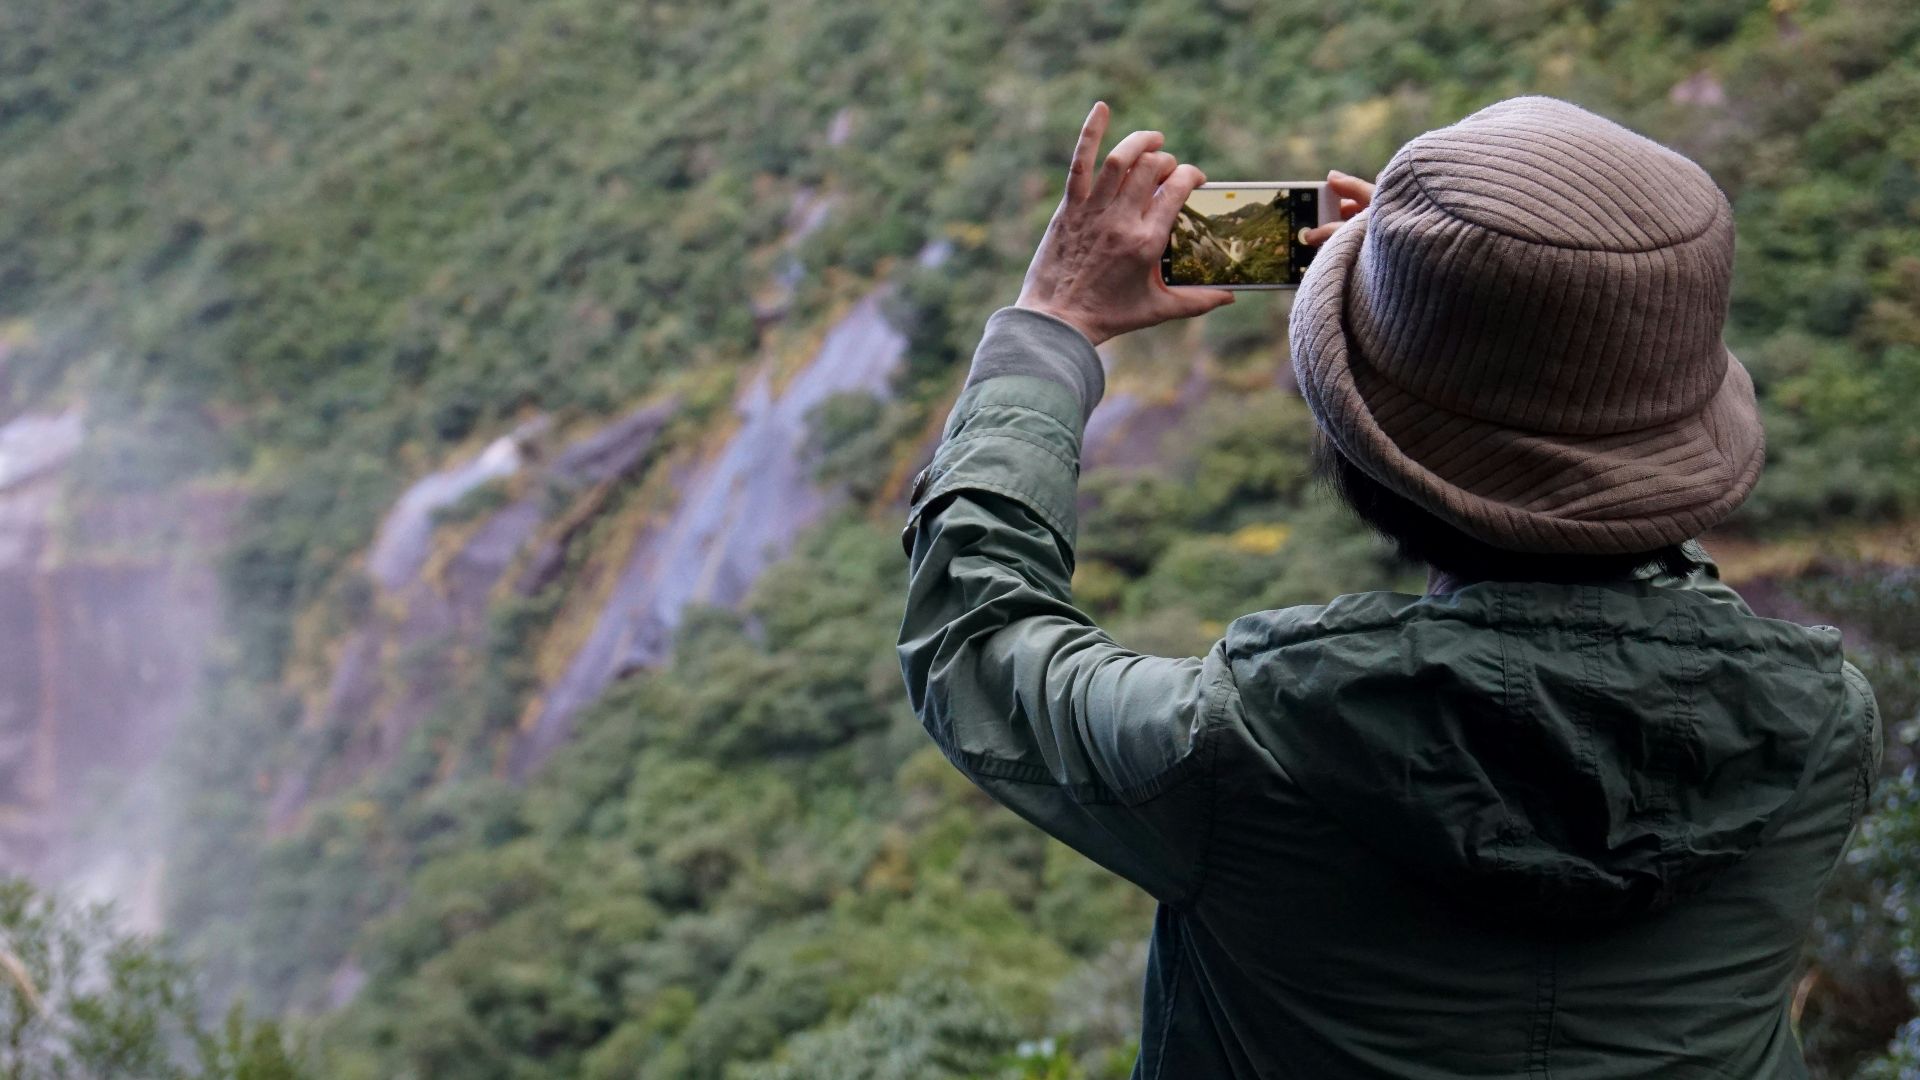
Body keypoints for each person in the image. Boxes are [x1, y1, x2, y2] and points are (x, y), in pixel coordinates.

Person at [896, 96, 1881, 1078]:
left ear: (1363, 454)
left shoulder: (1241, 748)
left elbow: (977, 645)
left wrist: (1052, 323)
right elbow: (1655, 598)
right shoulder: (1824, 732)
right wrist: (1514, 334)